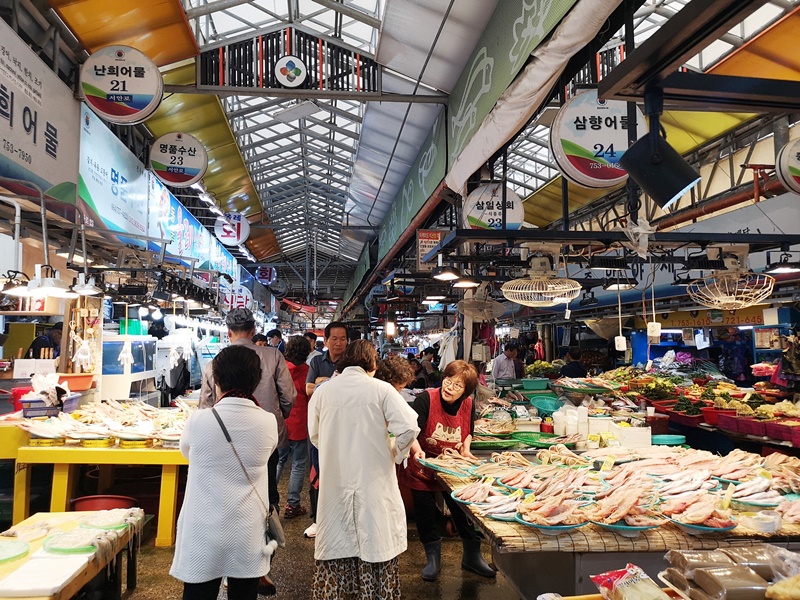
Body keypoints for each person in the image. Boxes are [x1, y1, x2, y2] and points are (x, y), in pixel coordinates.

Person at [308, 340, 421, 600]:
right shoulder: (381, 389)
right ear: (371, 363)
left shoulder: (323, 392)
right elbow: (408, 429)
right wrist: (393, 451)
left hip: (336, 482)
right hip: (375, 484)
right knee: (376, 543)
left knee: (337, 543)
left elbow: (315, 435)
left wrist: (333, 448)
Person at [171, 345, 279, 600]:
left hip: (203, 530)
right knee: (244, 594)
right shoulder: (268, 422)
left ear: (216, 379)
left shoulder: (198, 420)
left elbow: (186, 453)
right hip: (247, 530)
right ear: (256, 379)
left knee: (199, 593)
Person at [398, 360, 495, 581]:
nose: (449, 387)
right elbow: (411, 430)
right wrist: (417, 451)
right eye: (448, 380)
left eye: (457, 385)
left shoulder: (468, 405)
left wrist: (466, 451)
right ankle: (433, 559)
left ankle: (472, 556)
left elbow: (468, 432)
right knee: (425, 512)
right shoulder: (426, 399)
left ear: (466, 392)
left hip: (452, 466)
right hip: (423, 466)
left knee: (462, 510)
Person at [200, 308, 296, 508]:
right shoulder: (274, 356)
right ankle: (270, 531)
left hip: (226, 436)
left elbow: (205, 405)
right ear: (253, 331)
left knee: (230, 490)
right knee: (267, 489)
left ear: (228, 332)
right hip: (267, 434)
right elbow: (288, 396)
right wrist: (277, 417)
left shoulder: (215, 362)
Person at [304, 321, 349, 538]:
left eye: (342, 339)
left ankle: (342, 519)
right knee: (318, 471)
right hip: (320, 427)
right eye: (334, 339)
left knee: (343, 473)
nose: (338, 343)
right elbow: (308, 389)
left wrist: (322, 383)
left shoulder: (352, 363)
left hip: (345, 428)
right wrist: (330, 383)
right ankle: (318, 520)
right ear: (327, 340)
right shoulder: (317, 362)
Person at [277, 335, 310, 519]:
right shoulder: (308, 372)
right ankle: (292, 504)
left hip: (282, 422)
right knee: (298, 464)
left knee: (279, 461)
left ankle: (266, 500)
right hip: (300, 424)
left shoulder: (281, 370)